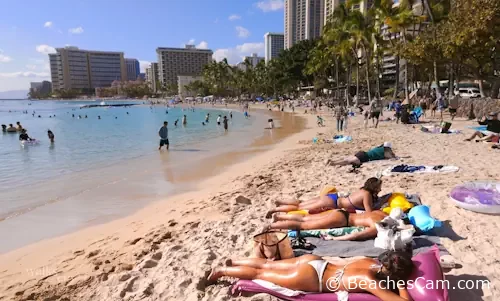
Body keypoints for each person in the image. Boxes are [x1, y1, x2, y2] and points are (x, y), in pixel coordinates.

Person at [207, 250, 414, 300]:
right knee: (261, 273)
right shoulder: (369, 281)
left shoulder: (369, 263)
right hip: (313, 278)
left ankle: (235, 261)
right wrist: (402, 284)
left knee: (268, 265)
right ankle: (222, 271)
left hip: (314, 261)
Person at [265, 177, 383, 218]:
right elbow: (369, 213)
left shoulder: (362, 190)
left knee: (301, 202)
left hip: (332, 197)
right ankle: (275, 210)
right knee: (300, 207)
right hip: (332, 203)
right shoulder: (367, 195)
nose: (380, 189)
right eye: (379, 187)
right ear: (374, 187)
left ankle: (280, 202)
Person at [269, 210, 388, 241]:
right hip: (342, 220)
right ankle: (271, 227)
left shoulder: (381, 213)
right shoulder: (379, 225)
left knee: (306, 218)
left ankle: (279, 217)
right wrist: (336, 238)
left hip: (341, 213)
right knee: (304, 225)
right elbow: (357, 235)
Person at [325, 142, 396, 166]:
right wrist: (392, 154)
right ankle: (333, 163)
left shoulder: (379, 148)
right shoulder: (384, 151)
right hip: (365, 157)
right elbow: (391, 157)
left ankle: (333, 160)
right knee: (349, 161)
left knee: (348, 159)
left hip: (362, 153)